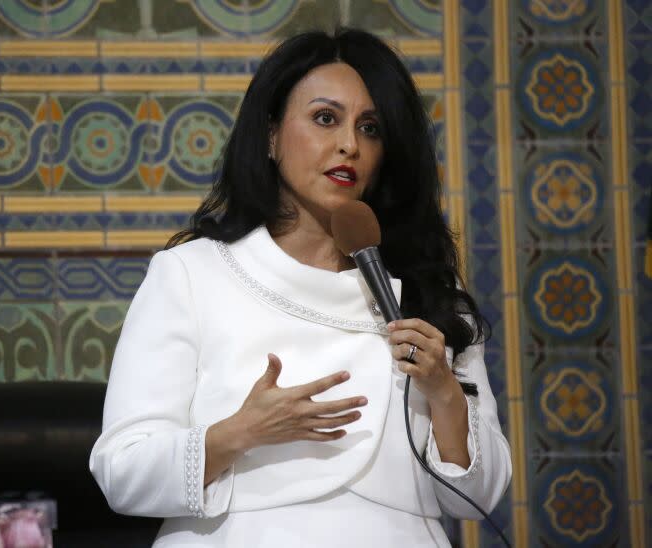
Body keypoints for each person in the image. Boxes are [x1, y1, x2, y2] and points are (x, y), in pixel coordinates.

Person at [90, 28, 512, 547]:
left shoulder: (430, 292)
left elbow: (481, 497)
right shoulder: (192, 273)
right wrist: (241, 432)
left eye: (371, 128)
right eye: (325, 118)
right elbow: (122, 471)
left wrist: (445, 394)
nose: (349, 145)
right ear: (270, 136)